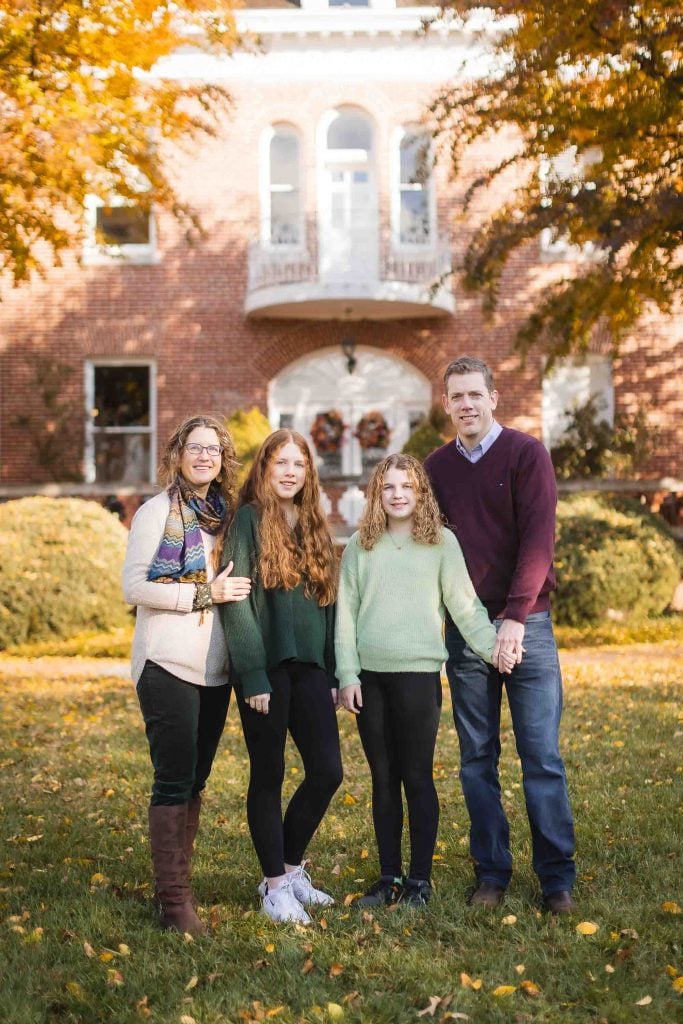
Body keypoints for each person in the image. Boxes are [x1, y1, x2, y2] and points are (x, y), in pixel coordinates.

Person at [425, 355, 576, 914]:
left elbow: (538, 541)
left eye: (475, 395)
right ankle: (492, 874)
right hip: (466, 631)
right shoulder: (436, 468)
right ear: (447, 405)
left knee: (540, 758)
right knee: (476, 759)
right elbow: (429, 549)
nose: (466, 404)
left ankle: (556, 879)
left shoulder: (526, 454)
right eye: (456, 396)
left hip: (528, 624)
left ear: (494, 397)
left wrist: (514, 618)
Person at [335, 454, 515, 908]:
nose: (398, 495)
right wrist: (347, 674)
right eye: (389, 487)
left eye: (407, 487)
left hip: (417, 678)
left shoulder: (441, 543)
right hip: (369, 681)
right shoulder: (360, 545)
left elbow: (465, 606)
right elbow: (344, 616)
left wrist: (495, 646)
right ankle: (389, 876)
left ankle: (419, 880)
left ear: (421, 494)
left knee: (416, 777)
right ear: (377, 493)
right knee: (382, 779)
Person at [122, 415, 251, 934]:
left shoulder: (227, 516)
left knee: (196, 778)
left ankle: (178, 888)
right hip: (167, 662)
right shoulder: (157, 512)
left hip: (215, 668)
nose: (204, 457)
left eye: (213, 450)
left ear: (223, 460)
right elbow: (135, 587)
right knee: (174, 778)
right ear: (177, 454)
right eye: (194, 448)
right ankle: (173, 901)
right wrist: (202, 594)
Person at [218, 429, 343, 924]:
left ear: (308, 472)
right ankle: (274, 888)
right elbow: (238, 601)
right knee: (268, 774)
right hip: (265, 669)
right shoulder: (248, 520)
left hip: (310, 667)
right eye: (281, 463)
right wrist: (251, 674)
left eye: (299, 463)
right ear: (264, 469)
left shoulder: (313, 523)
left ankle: (290, 870)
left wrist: (332, 670)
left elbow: (329, 604)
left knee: (327, 771)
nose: (291, 471)